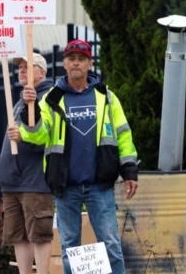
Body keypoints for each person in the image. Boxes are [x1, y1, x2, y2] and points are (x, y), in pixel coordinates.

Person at [8, 39, 139, 274]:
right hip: (65, 186)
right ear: (64, 64)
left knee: (110, 244)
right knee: (70, 248)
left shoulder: (107, 97)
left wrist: (129, 170)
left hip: (100, 184)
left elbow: (123, 135)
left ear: (90, 64)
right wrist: (32, 110)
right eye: (71, 59)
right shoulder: (52, 99)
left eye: (81, 59)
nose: (76, 63)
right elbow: (39, 136)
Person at [0, 53, 54, 274]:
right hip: (13, 181)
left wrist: (24, 135)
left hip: (35, 180)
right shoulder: (20, 100)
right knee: (18, 236)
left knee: (39, 234)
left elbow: (46, 138)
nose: (22, 70)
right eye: (20, 67)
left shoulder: (48, 97)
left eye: (29, 67)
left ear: (42, 72)